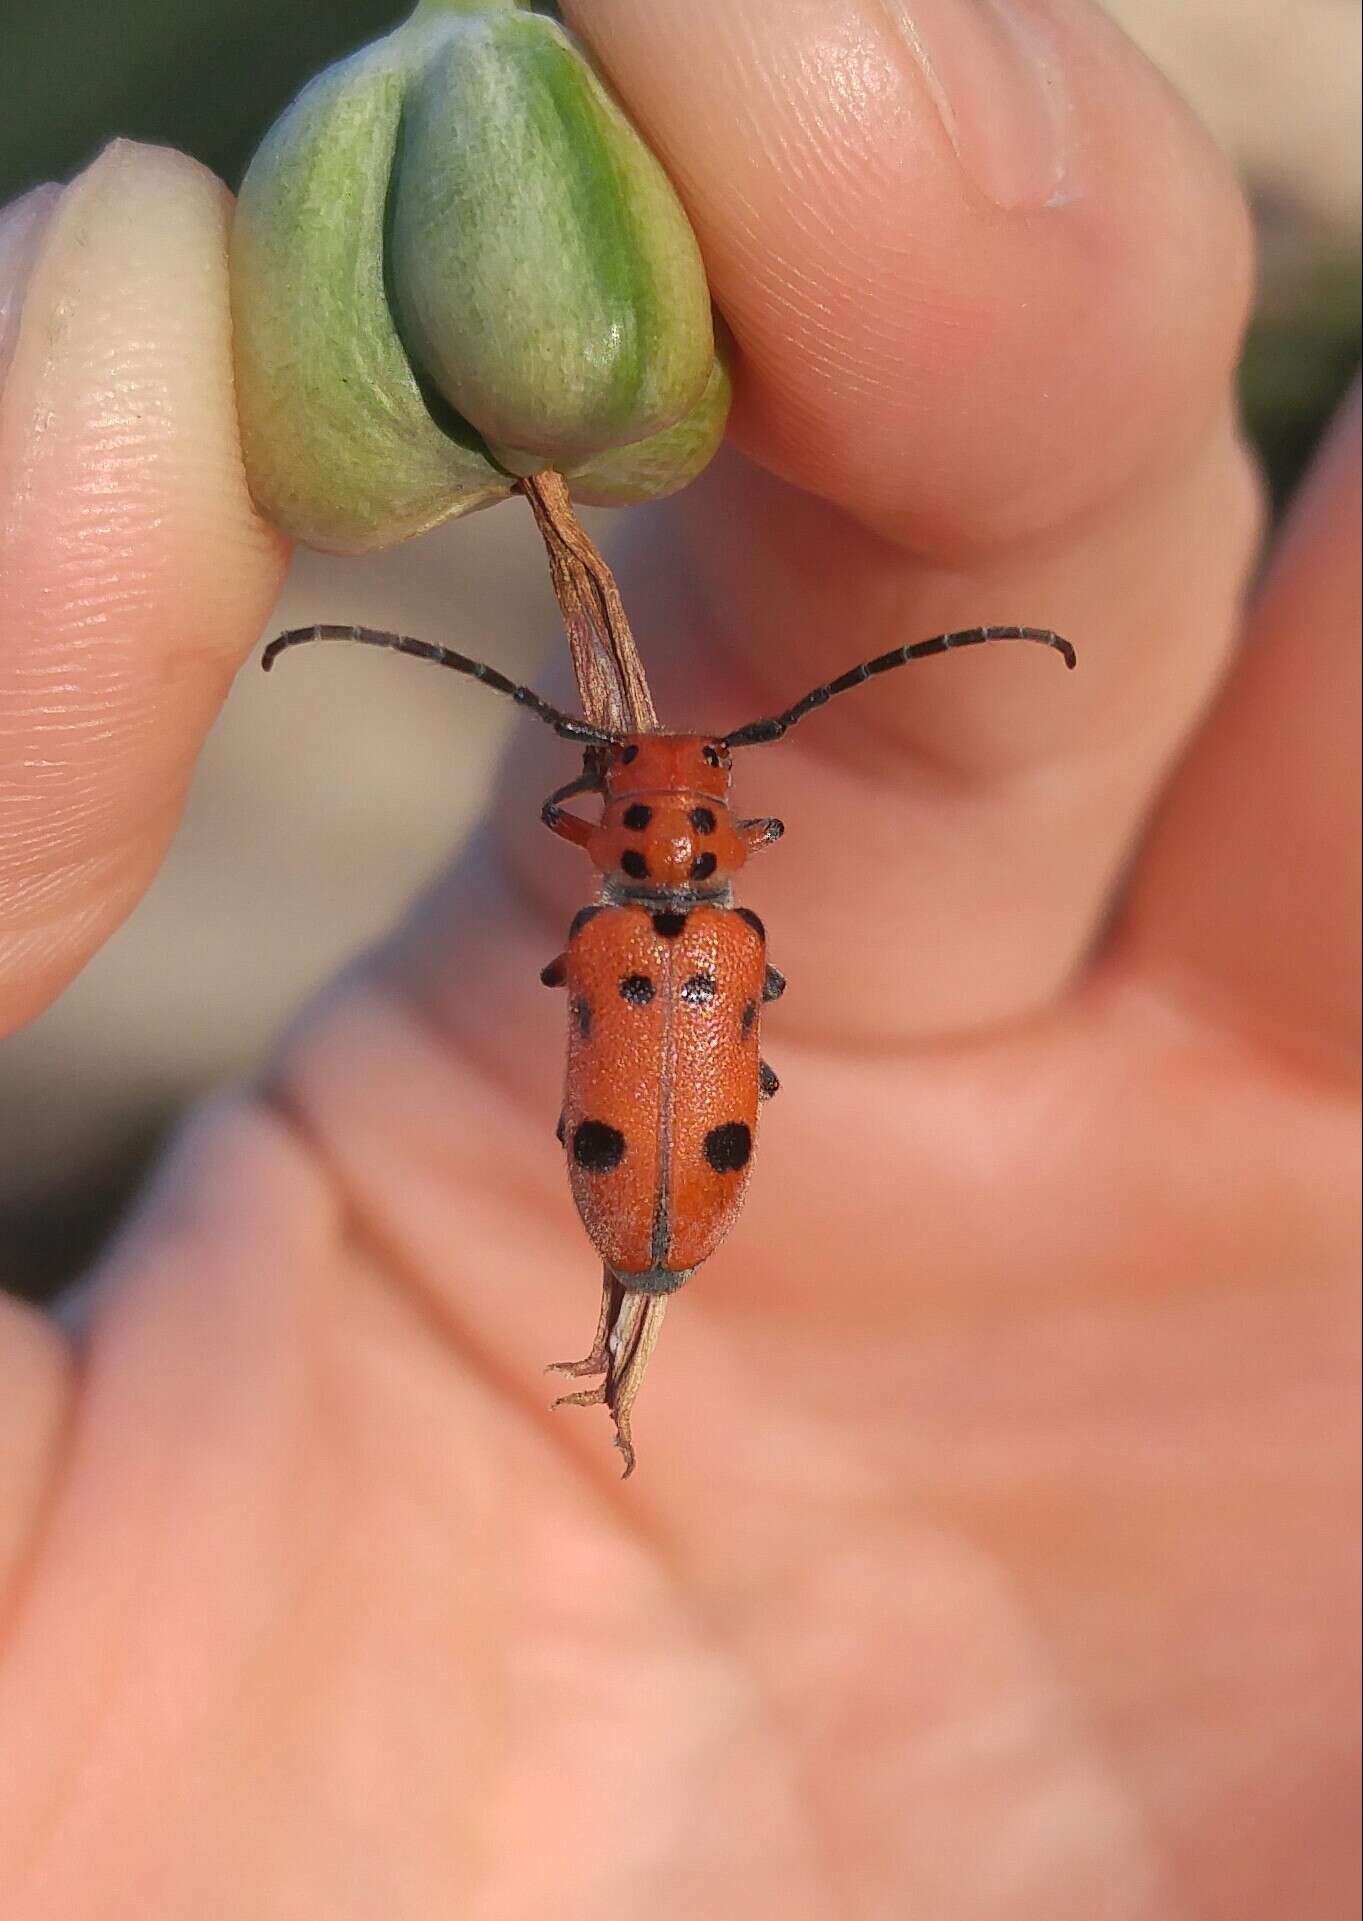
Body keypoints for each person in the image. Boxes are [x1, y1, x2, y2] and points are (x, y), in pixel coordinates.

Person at [0, 1, 1356, 1913]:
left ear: (651, 833)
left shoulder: (671, 913)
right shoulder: (709, 916)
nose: (658, 804)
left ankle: (624, 1317)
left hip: (661, 1147)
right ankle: (626, 1322)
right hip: (663, 1142)